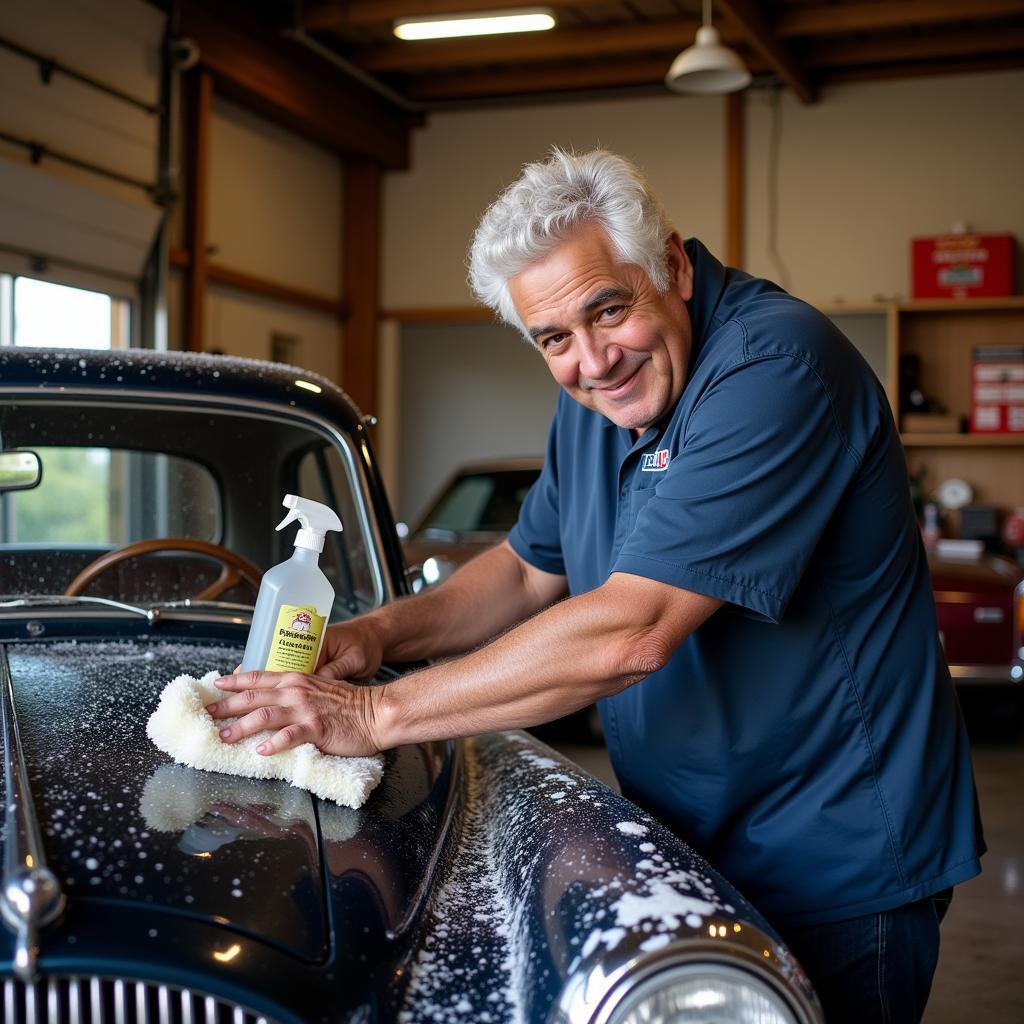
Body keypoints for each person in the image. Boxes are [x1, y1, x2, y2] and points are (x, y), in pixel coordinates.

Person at [208, 148, 984, 1022]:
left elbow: (632, 630)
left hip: (832, 856)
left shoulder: (776, 368)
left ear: (676, 269)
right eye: (554, 339)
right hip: (687, 837)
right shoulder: (599, 403)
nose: (592, 361)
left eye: (609, 310)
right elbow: (527, 572)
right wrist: (379, 635)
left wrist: (372, 714)